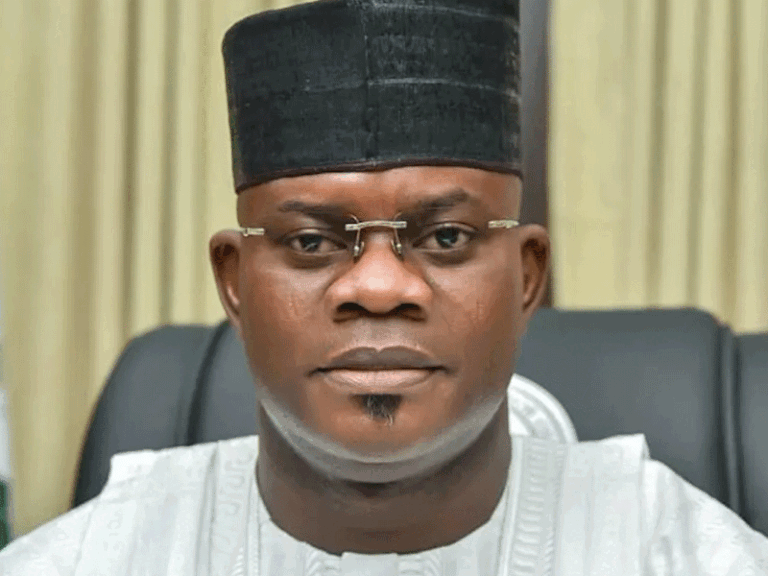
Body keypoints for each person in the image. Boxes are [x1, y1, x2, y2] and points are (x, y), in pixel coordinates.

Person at [2, 0, 768, 573]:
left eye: (445, 237)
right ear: (233, 282)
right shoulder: (91, 560)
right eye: (311, 242)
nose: (376, 286)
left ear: (526, 275)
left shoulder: (681, 553)